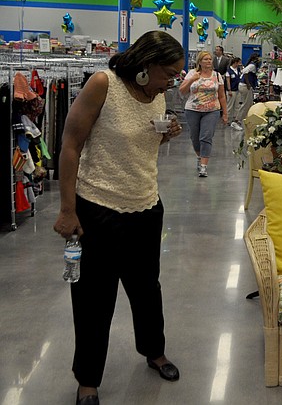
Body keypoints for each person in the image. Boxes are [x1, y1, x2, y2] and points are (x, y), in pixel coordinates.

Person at [52, 30, 185, 405]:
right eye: (169, 73)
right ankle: (88, 379)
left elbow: (140, 142)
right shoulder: (102, 84)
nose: (172, 82)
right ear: (146, 65)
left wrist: (166, 134)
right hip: (98, 208)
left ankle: (154, 352)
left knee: (147, 289)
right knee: (94, 298)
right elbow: (70, 146)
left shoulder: (156, 96)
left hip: (146, 206)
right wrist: (67, 209)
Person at [180, 51, 228, 177]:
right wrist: (191, 80)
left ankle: (203, 166)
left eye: (210, 59)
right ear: (200, 62)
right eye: (205, 59)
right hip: (192, 110)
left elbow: (222, 96)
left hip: (212, 110)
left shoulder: (217, 76)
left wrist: (225, 113)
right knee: (195, 138)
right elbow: (182, 91)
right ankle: (199, 156)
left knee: (206, 137)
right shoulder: (192, 74)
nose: (208, 61)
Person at [226, 57, 243, 130]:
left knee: (237, 106)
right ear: (235, 62)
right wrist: (229, 90)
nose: (240, 64)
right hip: (231, 90)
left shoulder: (238, 70)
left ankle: (236, 119)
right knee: (230, 105)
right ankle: (227, 119)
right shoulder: (229, 71)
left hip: (238, 90)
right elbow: (228, 81)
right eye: (239, 62)